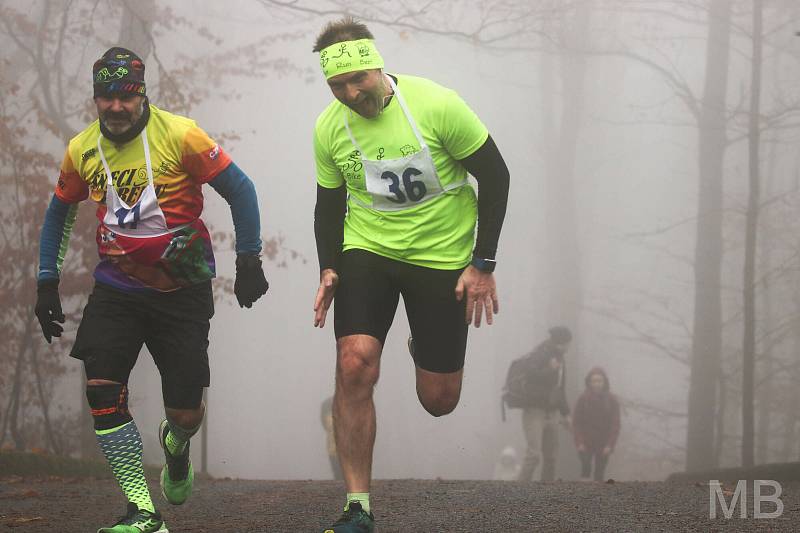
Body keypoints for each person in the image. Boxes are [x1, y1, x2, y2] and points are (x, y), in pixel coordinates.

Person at [34, 47, 268, 533]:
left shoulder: (181, 135)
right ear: (95, 98)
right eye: (106, 97)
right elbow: (59, 211)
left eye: (126, 96)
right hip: (116, 287)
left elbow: (241, 190)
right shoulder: (81, 149)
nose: (116, 107)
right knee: (101, 386)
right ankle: (143, 511)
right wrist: (46, 281)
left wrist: (248, 259)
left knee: (184, 410)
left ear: (142, 95)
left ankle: (177, 444)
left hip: (181, 288)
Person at [310, 17, 510, 533]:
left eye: (360, 79)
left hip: (442, 258)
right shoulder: (329, 128)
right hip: (369, 250)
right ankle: (358, 506)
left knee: (439, 402)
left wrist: (482, 263)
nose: (352, 93)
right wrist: (330, 265)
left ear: (379, 66)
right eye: (338, 85)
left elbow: (496, 175)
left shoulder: (436, 104)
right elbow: (328, 206)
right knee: (355, 363)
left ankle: (423, 344)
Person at [517, 326, 572, 482]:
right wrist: (549, 369)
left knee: (551, 457)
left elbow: (560, 388)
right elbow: (529, 374)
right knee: (533, 455)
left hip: (552, 412)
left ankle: (547, 495)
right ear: (561, 342)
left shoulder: (560, 357)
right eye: (567, 343)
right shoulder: (539, 353)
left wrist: (566, 414)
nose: (569, 347)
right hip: (534, 411)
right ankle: (517, 492)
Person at [572, 367, 621, 482]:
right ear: (589, 382)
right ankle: (583, 496)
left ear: (604, 382)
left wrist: (610, 444)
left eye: (600, 381)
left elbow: (616, 425)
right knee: (586, 468)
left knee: (599, 473)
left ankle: (597, 498)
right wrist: (579, 442)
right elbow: (576, 423)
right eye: (594, 381)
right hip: (585, 442)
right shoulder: (583, 399)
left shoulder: (612, 400)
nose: (597, 384)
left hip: (604, 443)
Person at [321, 396, 344, 480]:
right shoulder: (345, 402)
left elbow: (324, 423)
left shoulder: (326, 404)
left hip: (334, 446)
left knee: (337, 471)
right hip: (335, 446)